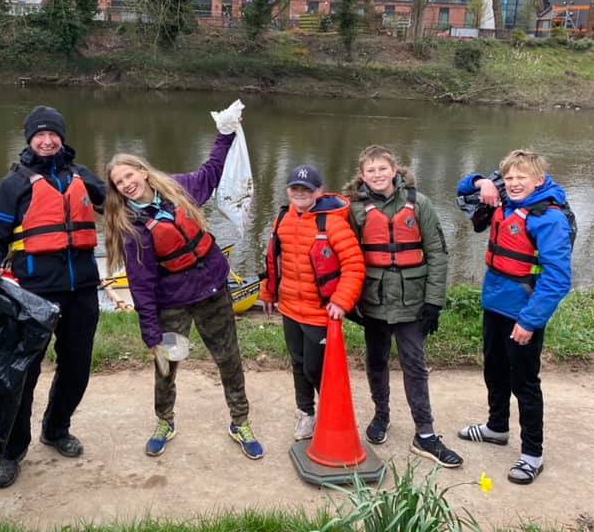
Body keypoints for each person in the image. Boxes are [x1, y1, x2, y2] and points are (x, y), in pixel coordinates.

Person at [102, 103, 264, 461]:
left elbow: (211, 172)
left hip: (212, 291)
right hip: (172, 302)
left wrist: (224, 133)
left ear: (143, 172)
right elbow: (141, 287)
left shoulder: (179, 189)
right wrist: (150, 334)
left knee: (228, 359)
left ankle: (240, 421)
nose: (128, 184)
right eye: (119, 183)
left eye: (131, 176)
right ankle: (164, 421)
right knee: (166, 364)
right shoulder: (131, 229)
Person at [0, 105, 106, 489]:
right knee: (23, 375)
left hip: (82, 291)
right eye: (40, 135)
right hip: (33, 296)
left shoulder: (83, 177)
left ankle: (56, 429)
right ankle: (10, 451)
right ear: (30, 139)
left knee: (77, 368)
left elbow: (124, 203)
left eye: (53, 134)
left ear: (63, 138)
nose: (47, 140)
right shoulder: (13, 184)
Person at [456, 149, 573, 485]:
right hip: (494, 304)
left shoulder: (548, 218)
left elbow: (557, 278)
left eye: (522, 177)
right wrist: (481, 182)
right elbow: (462, 191)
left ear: (538, 180)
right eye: (509, 178)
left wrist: (530, 321)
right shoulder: (504, 202)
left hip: (523, 312)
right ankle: (496, 428)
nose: (515, 183)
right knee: (493, 369)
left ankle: (532, 454)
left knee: (524, 382)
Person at [343, 146, 462, 468]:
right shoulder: (354, 210)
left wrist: (434, 302)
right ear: (362, 175)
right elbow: (347, 257)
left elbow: (437, 254)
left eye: (383, 168)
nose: (378, 175)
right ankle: (381, 415)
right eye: (371, 170)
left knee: (414, 366)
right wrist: (349, 299)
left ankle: (424, 432)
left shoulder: (420, 204)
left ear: (395, 170)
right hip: (374, 302)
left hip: (412, 303)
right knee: (376, 362)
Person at [261, 164, 365, 441]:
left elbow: (354, 265)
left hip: (321, 314)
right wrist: (268, 291)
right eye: (295, 188)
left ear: (318, 191)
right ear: (287, 190)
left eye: (306, 189)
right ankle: (306, 413)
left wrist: (342, 302)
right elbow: (274, 259)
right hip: (290, 308)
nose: (300, 193)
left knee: (315, 368)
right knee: (297, 363)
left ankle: (334, 415)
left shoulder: (331, 222)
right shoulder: (282, 218)